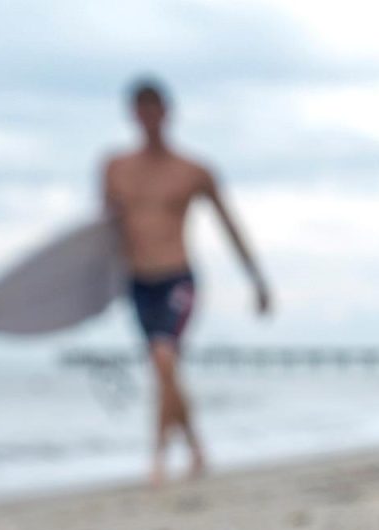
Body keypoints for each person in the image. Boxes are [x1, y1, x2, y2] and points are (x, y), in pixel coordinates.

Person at [102, 78, 271, 485]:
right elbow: (101, 234)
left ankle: (159, 458)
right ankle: (195, 447)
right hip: (137, 281)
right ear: (133, 115)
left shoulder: (193, 170)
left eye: (155, 109)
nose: (149, 119)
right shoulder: (115, 169)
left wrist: (257, 279)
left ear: (167, 112)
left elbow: (229, 223)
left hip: (178, 277)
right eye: (141, 110)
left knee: (163, 359)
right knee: (165, 368)